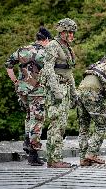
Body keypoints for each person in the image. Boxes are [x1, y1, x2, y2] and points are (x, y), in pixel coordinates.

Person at [5, 26, 52, 166]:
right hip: (37, 91)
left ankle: (26, 141)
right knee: (37, 120)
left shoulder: (22, 50)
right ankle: (33, 154)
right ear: (46, 40)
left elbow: (8, 65)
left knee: (29, 115)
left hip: (22, 90)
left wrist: (15, 81)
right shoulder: (45, 53)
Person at [42, 18, 78, 168]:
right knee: (57, 124)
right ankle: (55, 159)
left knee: (61, 124)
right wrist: (56, 90)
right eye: (69, 32)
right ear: (61, 32)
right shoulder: (53, 46)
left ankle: (54, 159)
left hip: (65, 87)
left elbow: (68, 72)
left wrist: (74, 93)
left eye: (72, 32)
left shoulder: (67, 47)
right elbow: (49, 69)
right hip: (56, 88)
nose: (71, 35)